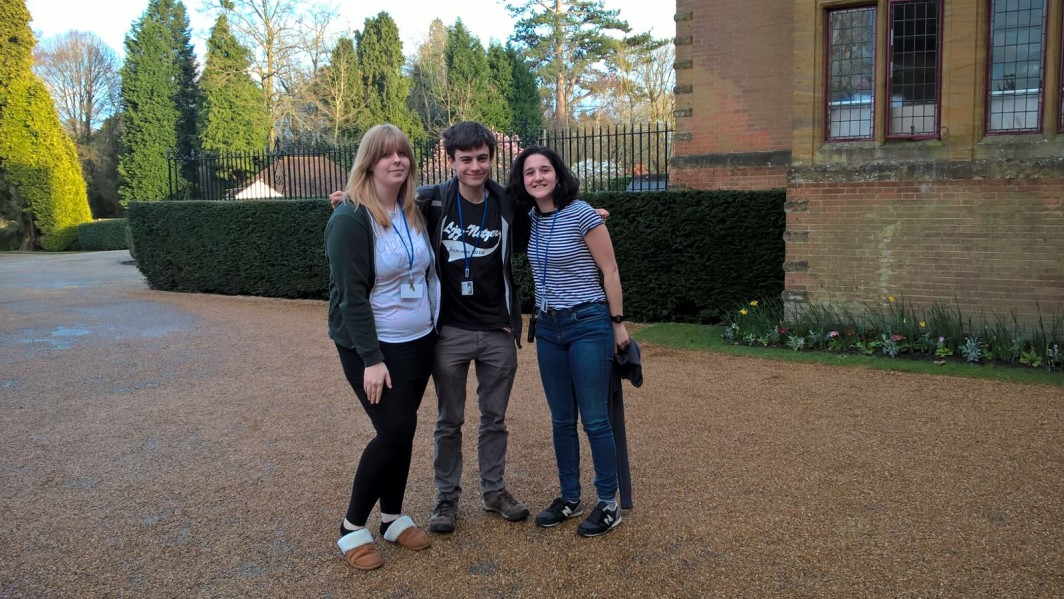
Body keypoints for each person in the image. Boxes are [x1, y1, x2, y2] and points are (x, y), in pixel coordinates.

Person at [325, 124, 439, 570]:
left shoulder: (415, 208)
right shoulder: (351, 218)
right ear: (368, 162)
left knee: (404, 429)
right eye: (386, 155)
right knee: (393, 430)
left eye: (403, 154)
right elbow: (350, 295)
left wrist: (575, 210)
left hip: (418, 340)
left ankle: (391, 516)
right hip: (372, 347)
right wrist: (371, 359)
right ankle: (352, 527)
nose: (397, 161)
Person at [505, 146, 631, 538]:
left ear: (558, 175)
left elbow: (609, 270)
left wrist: (618, 324)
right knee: (561, 420)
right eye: (530, 172)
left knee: (595, 419)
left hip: (588, 323)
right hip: (548, 328)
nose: (538, 177)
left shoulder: (582, 213)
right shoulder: (527, 220)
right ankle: (570, 497)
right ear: (522, 181)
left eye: (545, 170)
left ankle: (608, 503)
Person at [417, 122, 531, 532]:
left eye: (482, 158)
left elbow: (551, 202)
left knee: (494, 419)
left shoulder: (506, 202)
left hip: (497, 329)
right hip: (449, 330)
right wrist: (348, 202)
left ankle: (494, 492)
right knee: (449, 420)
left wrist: (588, 212)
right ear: (451, 161)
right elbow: (382, 207)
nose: (475, 167)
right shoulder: (431, 201)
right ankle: (446, 500)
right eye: (466, 159)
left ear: (491, 159)